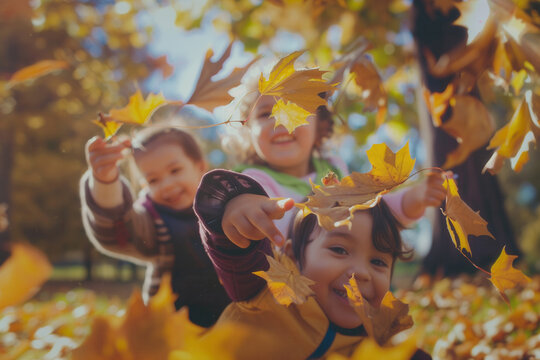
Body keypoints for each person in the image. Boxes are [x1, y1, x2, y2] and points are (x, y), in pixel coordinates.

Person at [194, 169, 431, 359]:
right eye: (339, 250)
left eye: (378, 261)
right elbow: (236, 251)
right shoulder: (271, 290)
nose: (361, 272)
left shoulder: (371, 339)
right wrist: (232, 203)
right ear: (293, 257)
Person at [221, 64, 447, 239]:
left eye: (295, 109)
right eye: (265, 114)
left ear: (320, 126)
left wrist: (413, 199)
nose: (280, 122)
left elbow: (368, 210)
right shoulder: (249, 183)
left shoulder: (333, 169)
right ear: (247, 132)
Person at [79, 123, 230, 327]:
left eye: (175, 170)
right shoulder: (152, 219)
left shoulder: (227, 208)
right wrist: (105, 183)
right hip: (172, 328)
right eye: (153, 180)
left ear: (200, 166)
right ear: (144, 186)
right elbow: (118, 232)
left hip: (233, 321)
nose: (167, 184)